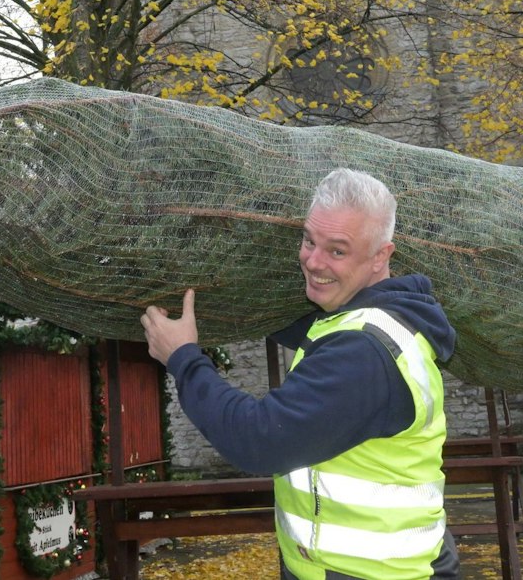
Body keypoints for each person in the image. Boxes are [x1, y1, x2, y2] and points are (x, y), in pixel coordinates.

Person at [142, 167, 459, 580]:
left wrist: (183, 358)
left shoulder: (363, 352)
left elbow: (259, 439)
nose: (313, 261)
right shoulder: (362, 321)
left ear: (381, 256)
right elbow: (291, 324)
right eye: (310, 240)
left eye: (337, 250)